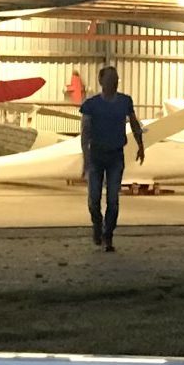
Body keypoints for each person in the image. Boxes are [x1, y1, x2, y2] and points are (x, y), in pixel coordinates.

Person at [77, 65, 145, 252]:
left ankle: (108, 235)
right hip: (97, 156)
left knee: (113, 199)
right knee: (94, 199)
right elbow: (85, 133)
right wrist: (86, 158)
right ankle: (98, 225)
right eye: (109, 79)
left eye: (115, 79)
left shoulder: (125, 101)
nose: (113, 83)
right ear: (101, 82)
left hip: (116, 155)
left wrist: (140, 145)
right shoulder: (91, 105)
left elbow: (134, 123)